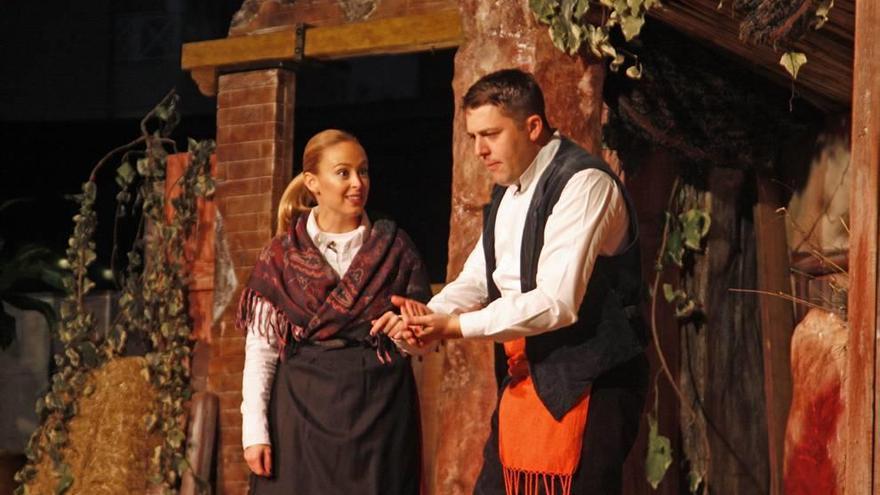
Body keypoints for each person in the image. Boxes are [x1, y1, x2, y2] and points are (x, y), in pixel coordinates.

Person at [375, 69, 648, 495]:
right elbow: (479, 277)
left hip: (591, 381)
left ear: (532, 126)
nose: (480, 150)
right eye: (473, 137)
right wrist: (428, 317)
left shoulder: (583, 183)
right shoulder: (508, 190)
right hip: (526, 377)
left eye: (491, 134)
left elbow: (557, 302)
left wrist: (454, 327)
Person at [238, 129, 431, 495]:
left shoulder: (396, 250)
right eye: (343, 172)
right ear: (313, 182)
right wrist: (254, 432)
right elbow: (261, 352)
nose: (357, 183)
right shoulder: (281, 256)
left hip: (380, 417)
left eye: (364, 171)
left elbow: (421, 343)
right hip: (299, 416)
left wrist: (407, 335)